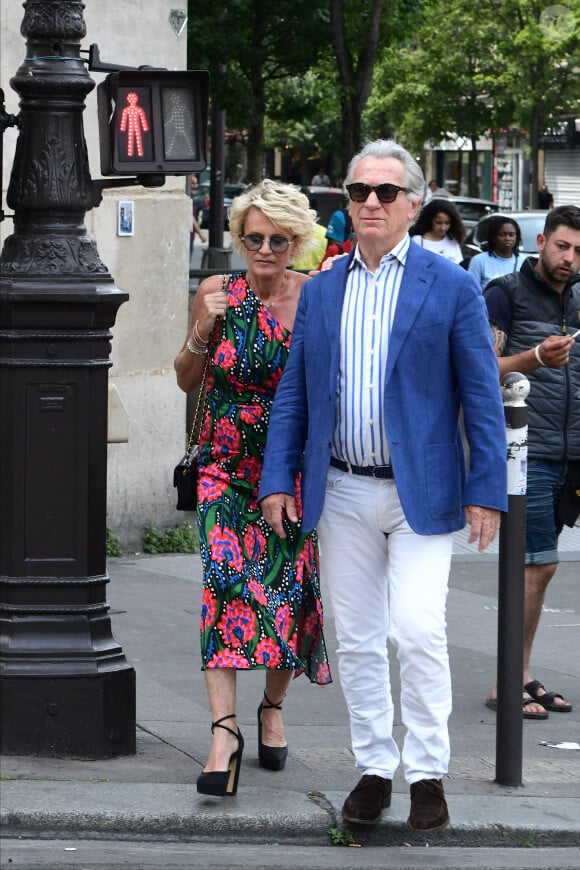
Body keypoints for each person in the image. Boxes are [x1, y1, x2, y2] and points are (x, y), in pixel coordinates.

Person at [259, 139, 507, 832]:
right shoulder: (324, 287)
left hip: (422, 492)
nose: (370, 202)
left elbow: (481, 397)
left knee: (418, 629)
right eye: (359, 192)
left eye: (386, 193)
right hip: (338, 490)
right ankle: (375, 767)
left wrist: (486, 487)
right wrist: (280, 478)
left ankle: (428, 773)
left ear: (414, 204)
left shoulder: (451, 285)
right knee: (359, 638)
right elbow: (295, 396)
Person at [174, 179, 331, 798]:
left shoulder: (317, 299)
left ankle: (271, 707)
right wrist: (201, 334)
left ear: (298, 242)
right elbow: (186, 379)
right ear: (239, 239)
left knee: (283, 598)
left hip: (288, 472)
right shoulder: (216, 293)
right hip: (222, 470)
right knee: (224, 587)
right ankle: (224, 733)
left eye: (278, 239)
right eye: (254, 237)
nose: (265, 249)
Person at [483, 205, 580, 719]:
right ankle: (508, 678)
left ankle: (517, 672)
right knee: (536, 563)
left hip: (571, 450)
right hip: (525, 450)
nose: (569, 258)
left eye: (579, 251)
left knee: (540, 568)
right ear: (541, 241)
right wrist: (536, 358)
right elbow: (479, 365)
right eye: (562, 246)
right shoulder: (505, 293)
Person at [468, 216, 527, 290]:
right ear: (494, 238)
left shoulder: (524, 262)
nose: (507, 238)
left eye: (511, 235)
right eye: (502, 235)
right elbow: (471, 292)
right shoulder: (479, 261)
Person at [410, 198, 465, 264]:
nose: (443, 228)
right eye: (438, 223)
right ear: (430, 220)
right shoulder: (417, 240)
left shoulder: (453, 241)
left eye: (447, 223)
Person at [188, 175, 207, 257]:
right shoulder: (186, 198)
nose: (195, 186)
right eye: (192, 183)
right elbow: (189, 216)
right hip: (187, 238)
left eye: (196, 184)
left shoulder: (192, 197)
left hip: (191, 237)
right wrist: (200, 233)